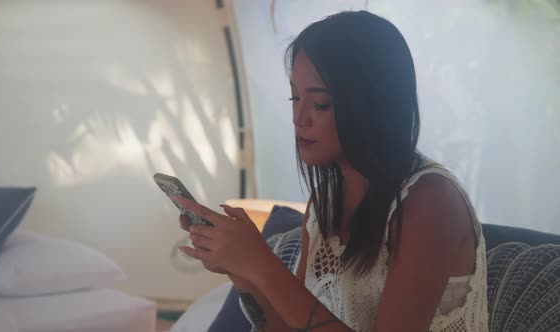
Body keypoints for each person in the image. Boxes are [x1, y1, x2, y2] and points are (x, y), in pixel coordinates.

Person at [173, 10, 488, 332]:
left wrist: (263, 265)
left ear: (371, 106)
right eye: (295, 97)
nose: (299, 118)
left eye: (320, 103)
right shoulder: (326, 201)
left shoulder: (430, 201)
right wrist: (241, 268)